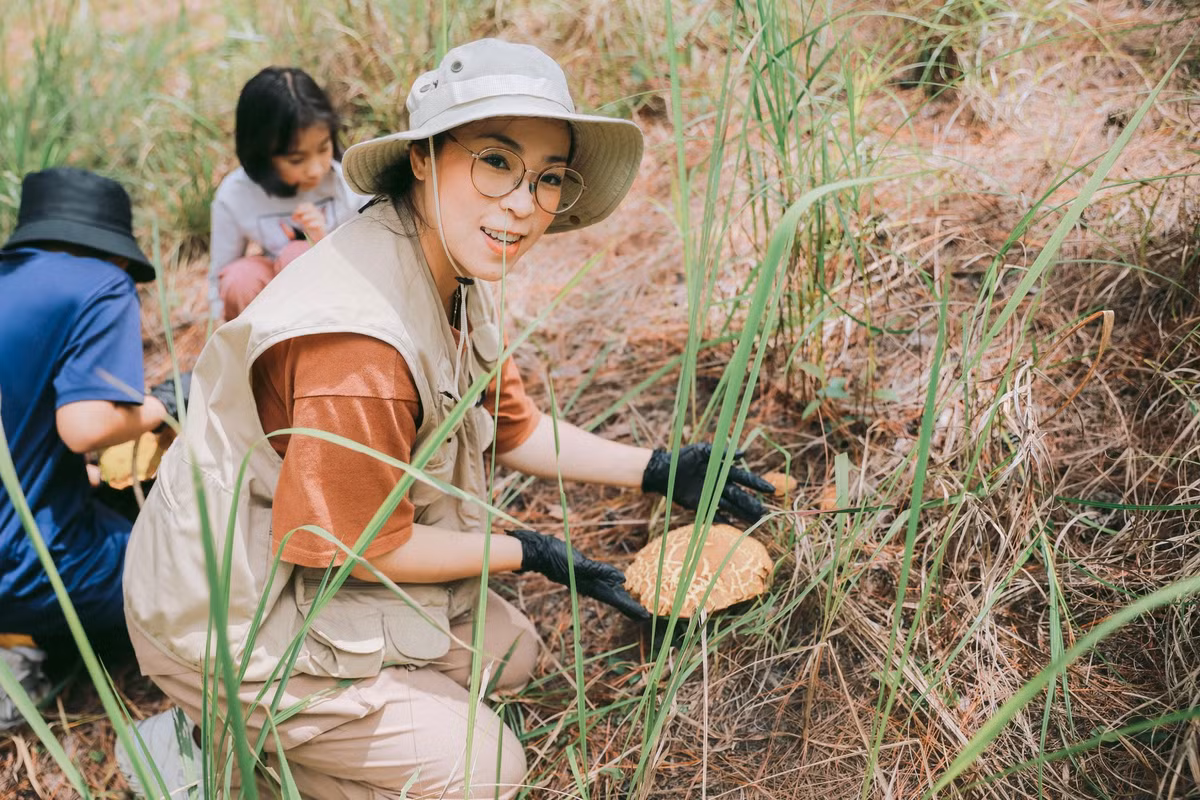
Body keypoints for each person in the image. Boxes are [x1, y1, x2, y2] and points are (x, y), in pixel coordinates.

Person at [121, 39, 773, 798]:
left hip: (304, 567)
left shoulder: (450, 263)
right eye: (495, 161)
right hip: (229, 611)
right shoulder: (359, 344)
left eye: (549, 178)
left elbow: (518, 429)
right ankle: (210, 757)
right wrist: (526, 551)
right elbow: (346, 545)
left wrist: (660, 470)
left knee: (513, 655)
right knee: (484, 773)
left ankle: (313, 731)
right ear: (424, 157)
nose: (524, 204)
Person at [0, 167, 186, 729]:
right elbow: (83, 426)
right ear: (113, 252)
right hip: (27, 568)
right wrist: (163, 405)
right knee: (191, 568)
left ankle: (19, 642)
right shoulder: (100, 283)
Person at [208, 66, 372, 322]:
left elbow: (372, 263)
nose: (316, 169)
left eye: (324, 148)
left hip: (341, 300)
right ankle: (262, 358)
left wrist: (320, 240)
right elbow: (219, 279)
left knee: (297, 255)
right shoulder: (236, 195)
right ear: (262, 155)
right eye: (296, 160)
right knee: (240, 278)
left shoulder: (350, 179)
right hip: (276, 307)